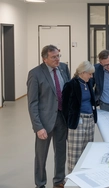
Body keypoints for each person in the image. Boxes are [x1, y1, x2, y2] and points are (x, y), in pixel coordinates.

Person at [27, 45, 70, 188]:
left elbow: (68, 93)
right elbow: (33, 103)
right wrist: (38, 127)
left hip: (62, 118)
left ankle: (59, 181)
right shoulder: (35, 73)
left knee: (61, 152)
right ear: (44, 59)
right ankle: (40, 184)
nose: (57, 59)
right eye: (53, 57)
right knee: (41, 156)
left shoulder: (64, 68)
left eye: (58, 56)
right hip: (45, 122)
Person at [62, 61, 97, 173]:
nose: (91, 76)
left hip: (90, 121)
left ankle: (84, 178)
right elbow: (65, 106)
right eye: (90, 74)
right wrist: (71, 121)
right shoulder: (71, 85)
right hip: (77, 122)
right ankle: (72, 180)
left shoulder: (88, 83)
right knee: (75, 154)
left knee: (87, 152)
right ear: (82, 73)